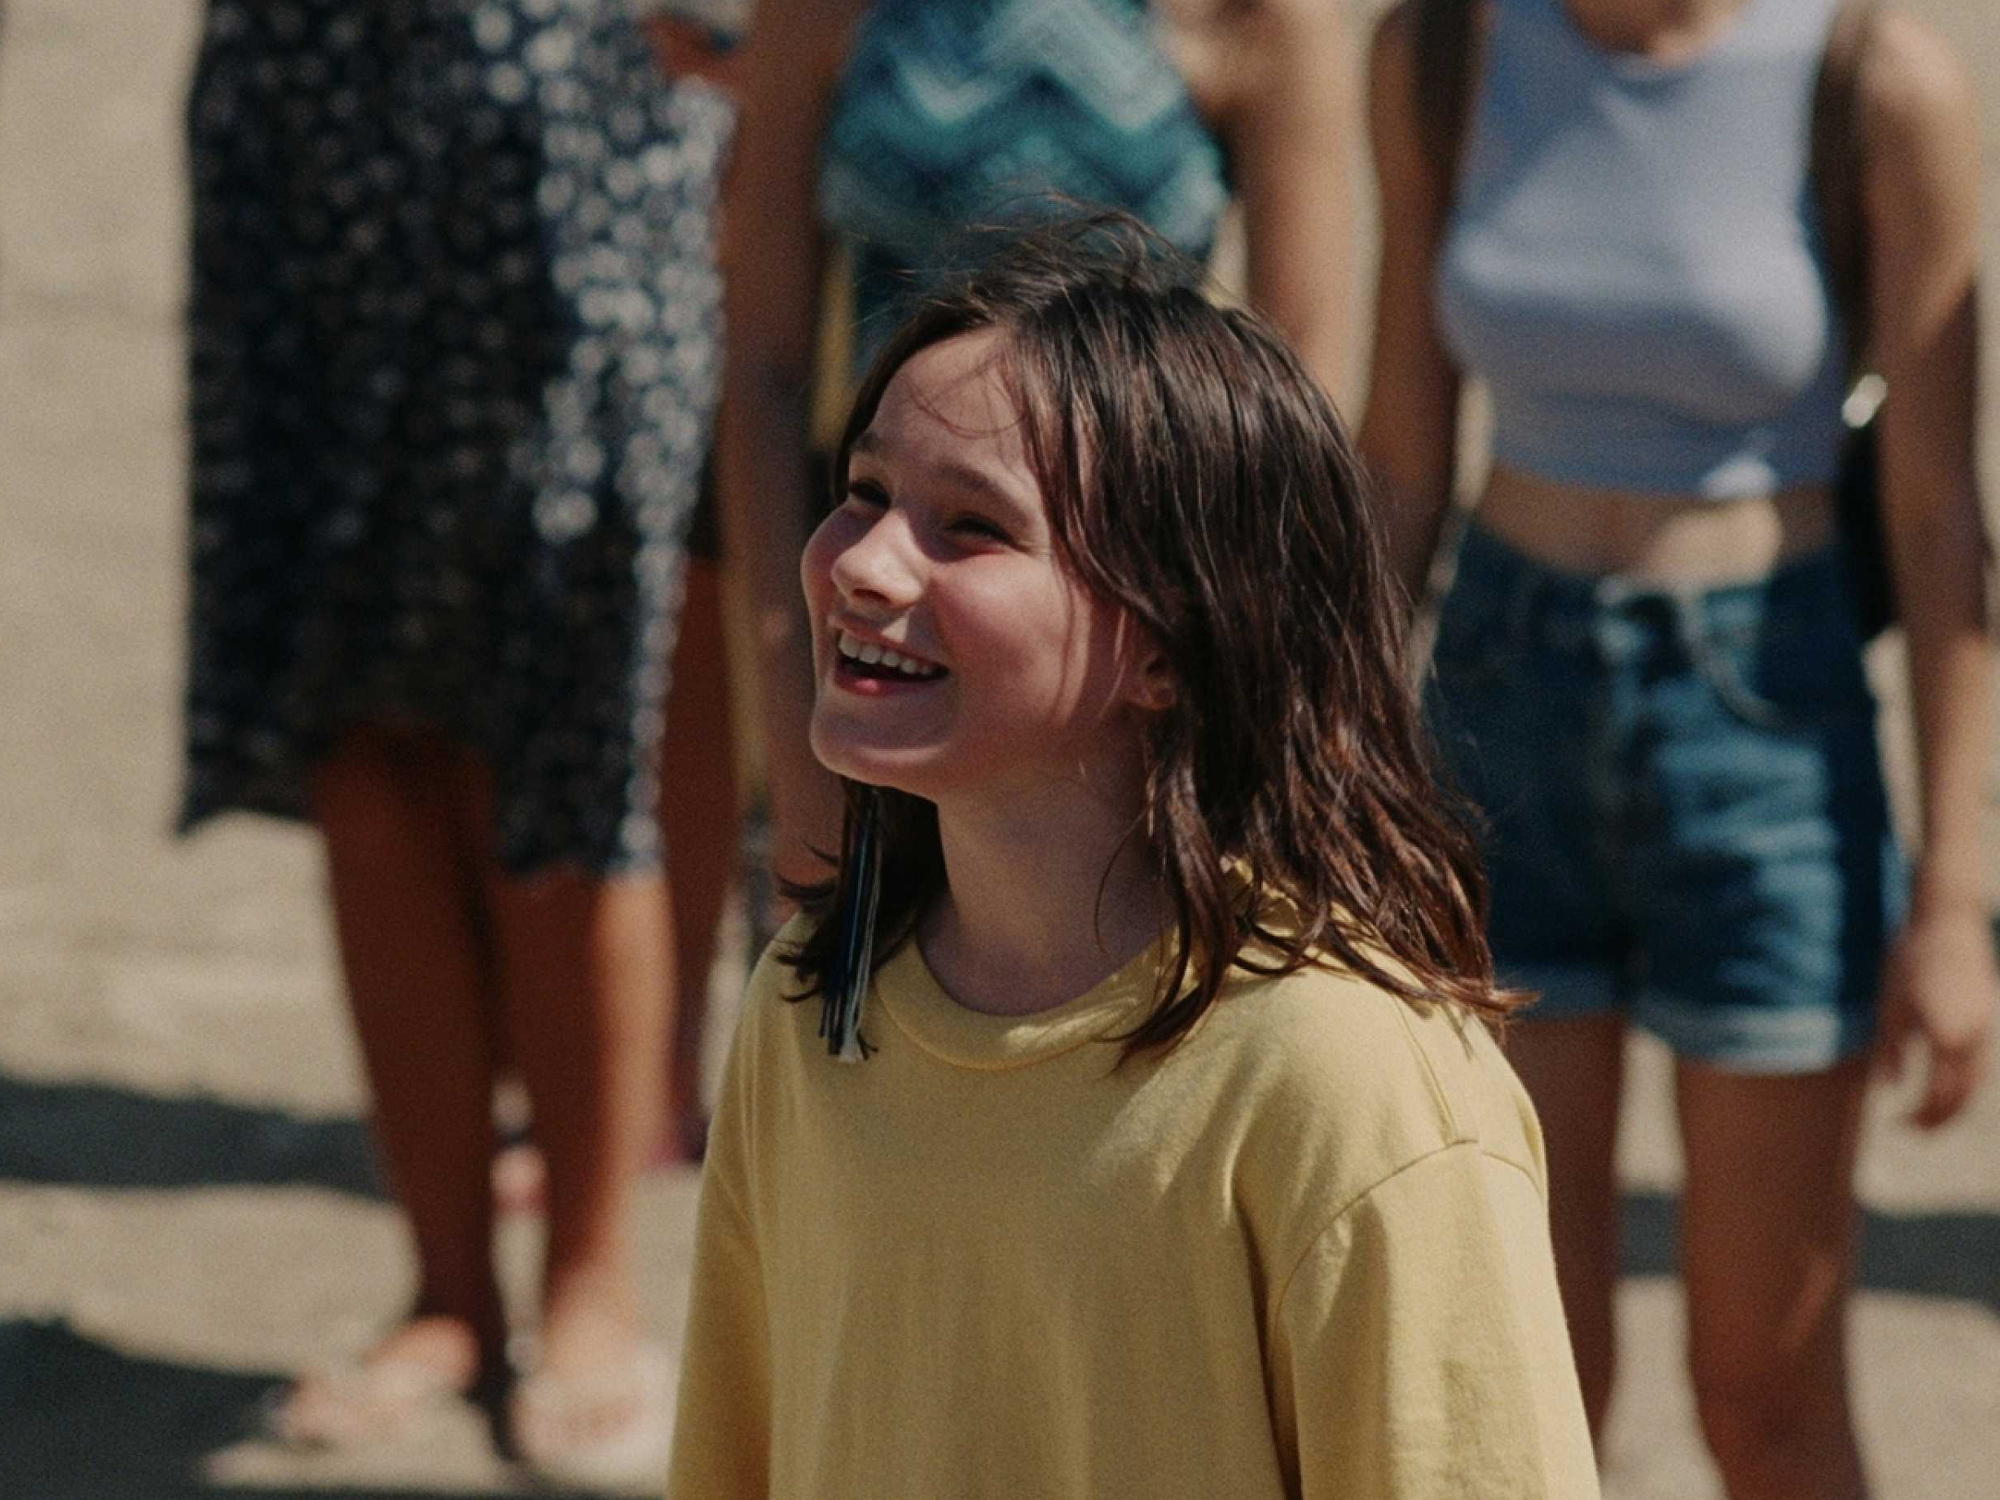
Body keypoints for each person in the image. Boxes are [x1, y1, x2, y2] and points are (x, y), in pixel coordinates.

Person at [664, 217, 1601, 1499]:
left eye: (971, 527)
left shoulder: (1346, 1077)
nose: (863, 565)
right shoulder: (813, 998)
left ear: (1169, 646)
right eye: (865, 493)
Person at [1360, 2, 1997, 1496]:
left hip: (1766, 728)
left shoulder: (1872, 75)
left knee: (1765, 1393)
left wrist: (1954, 903)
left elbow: (1936, 523)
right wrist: (1316, 765)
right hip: (1494, 711)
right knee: (1517, 1369)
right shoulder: (1440, 49)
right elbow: (1396, 459)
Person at [179, 0, 731, 1477]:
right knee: (358, 746)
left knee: (557, 743)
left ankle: (592, 1286)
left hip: (572, 113)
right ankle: (446, 1294)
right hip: (305, 95)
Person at [719, 0, 1358, 892]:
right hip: (884, 615)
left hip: (1110, 661)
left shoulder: (1262, 15)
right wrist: (797, 736)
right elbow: (761, 375)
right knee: (858, 960)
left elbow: (1300, 413)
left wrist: (1270, 732)